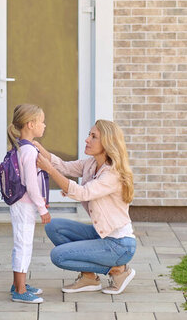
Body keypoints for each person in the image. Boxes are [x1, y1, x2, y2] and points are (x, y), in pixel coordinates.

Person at [35, 119, 136, 295]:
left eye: (93, 136)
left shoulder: (112, 174)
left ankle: (118, 270)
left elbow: (83, 193)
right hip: (101, 234)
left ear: (107, 143)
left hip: (119, 244)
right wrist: (37, 147)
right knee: (54, 227)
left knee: (58, 256)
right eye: (89, 135)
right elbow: (64, 166)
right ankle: (89, 278)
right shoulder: (91, 164)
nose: (87, 140)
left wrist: (50, 171)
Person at [7, 104, 51, 304]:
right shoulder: (29, 151)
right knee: (23, 244)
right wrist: (42, 208)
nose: (44, 125)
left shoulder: (22, 147)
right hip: (25, 205)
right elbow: (31, 185)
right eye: (41, 122)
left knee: (23, 243)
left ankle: (19, 283)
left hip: (21, 204)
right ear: (31, 124)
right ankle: (20, 290)